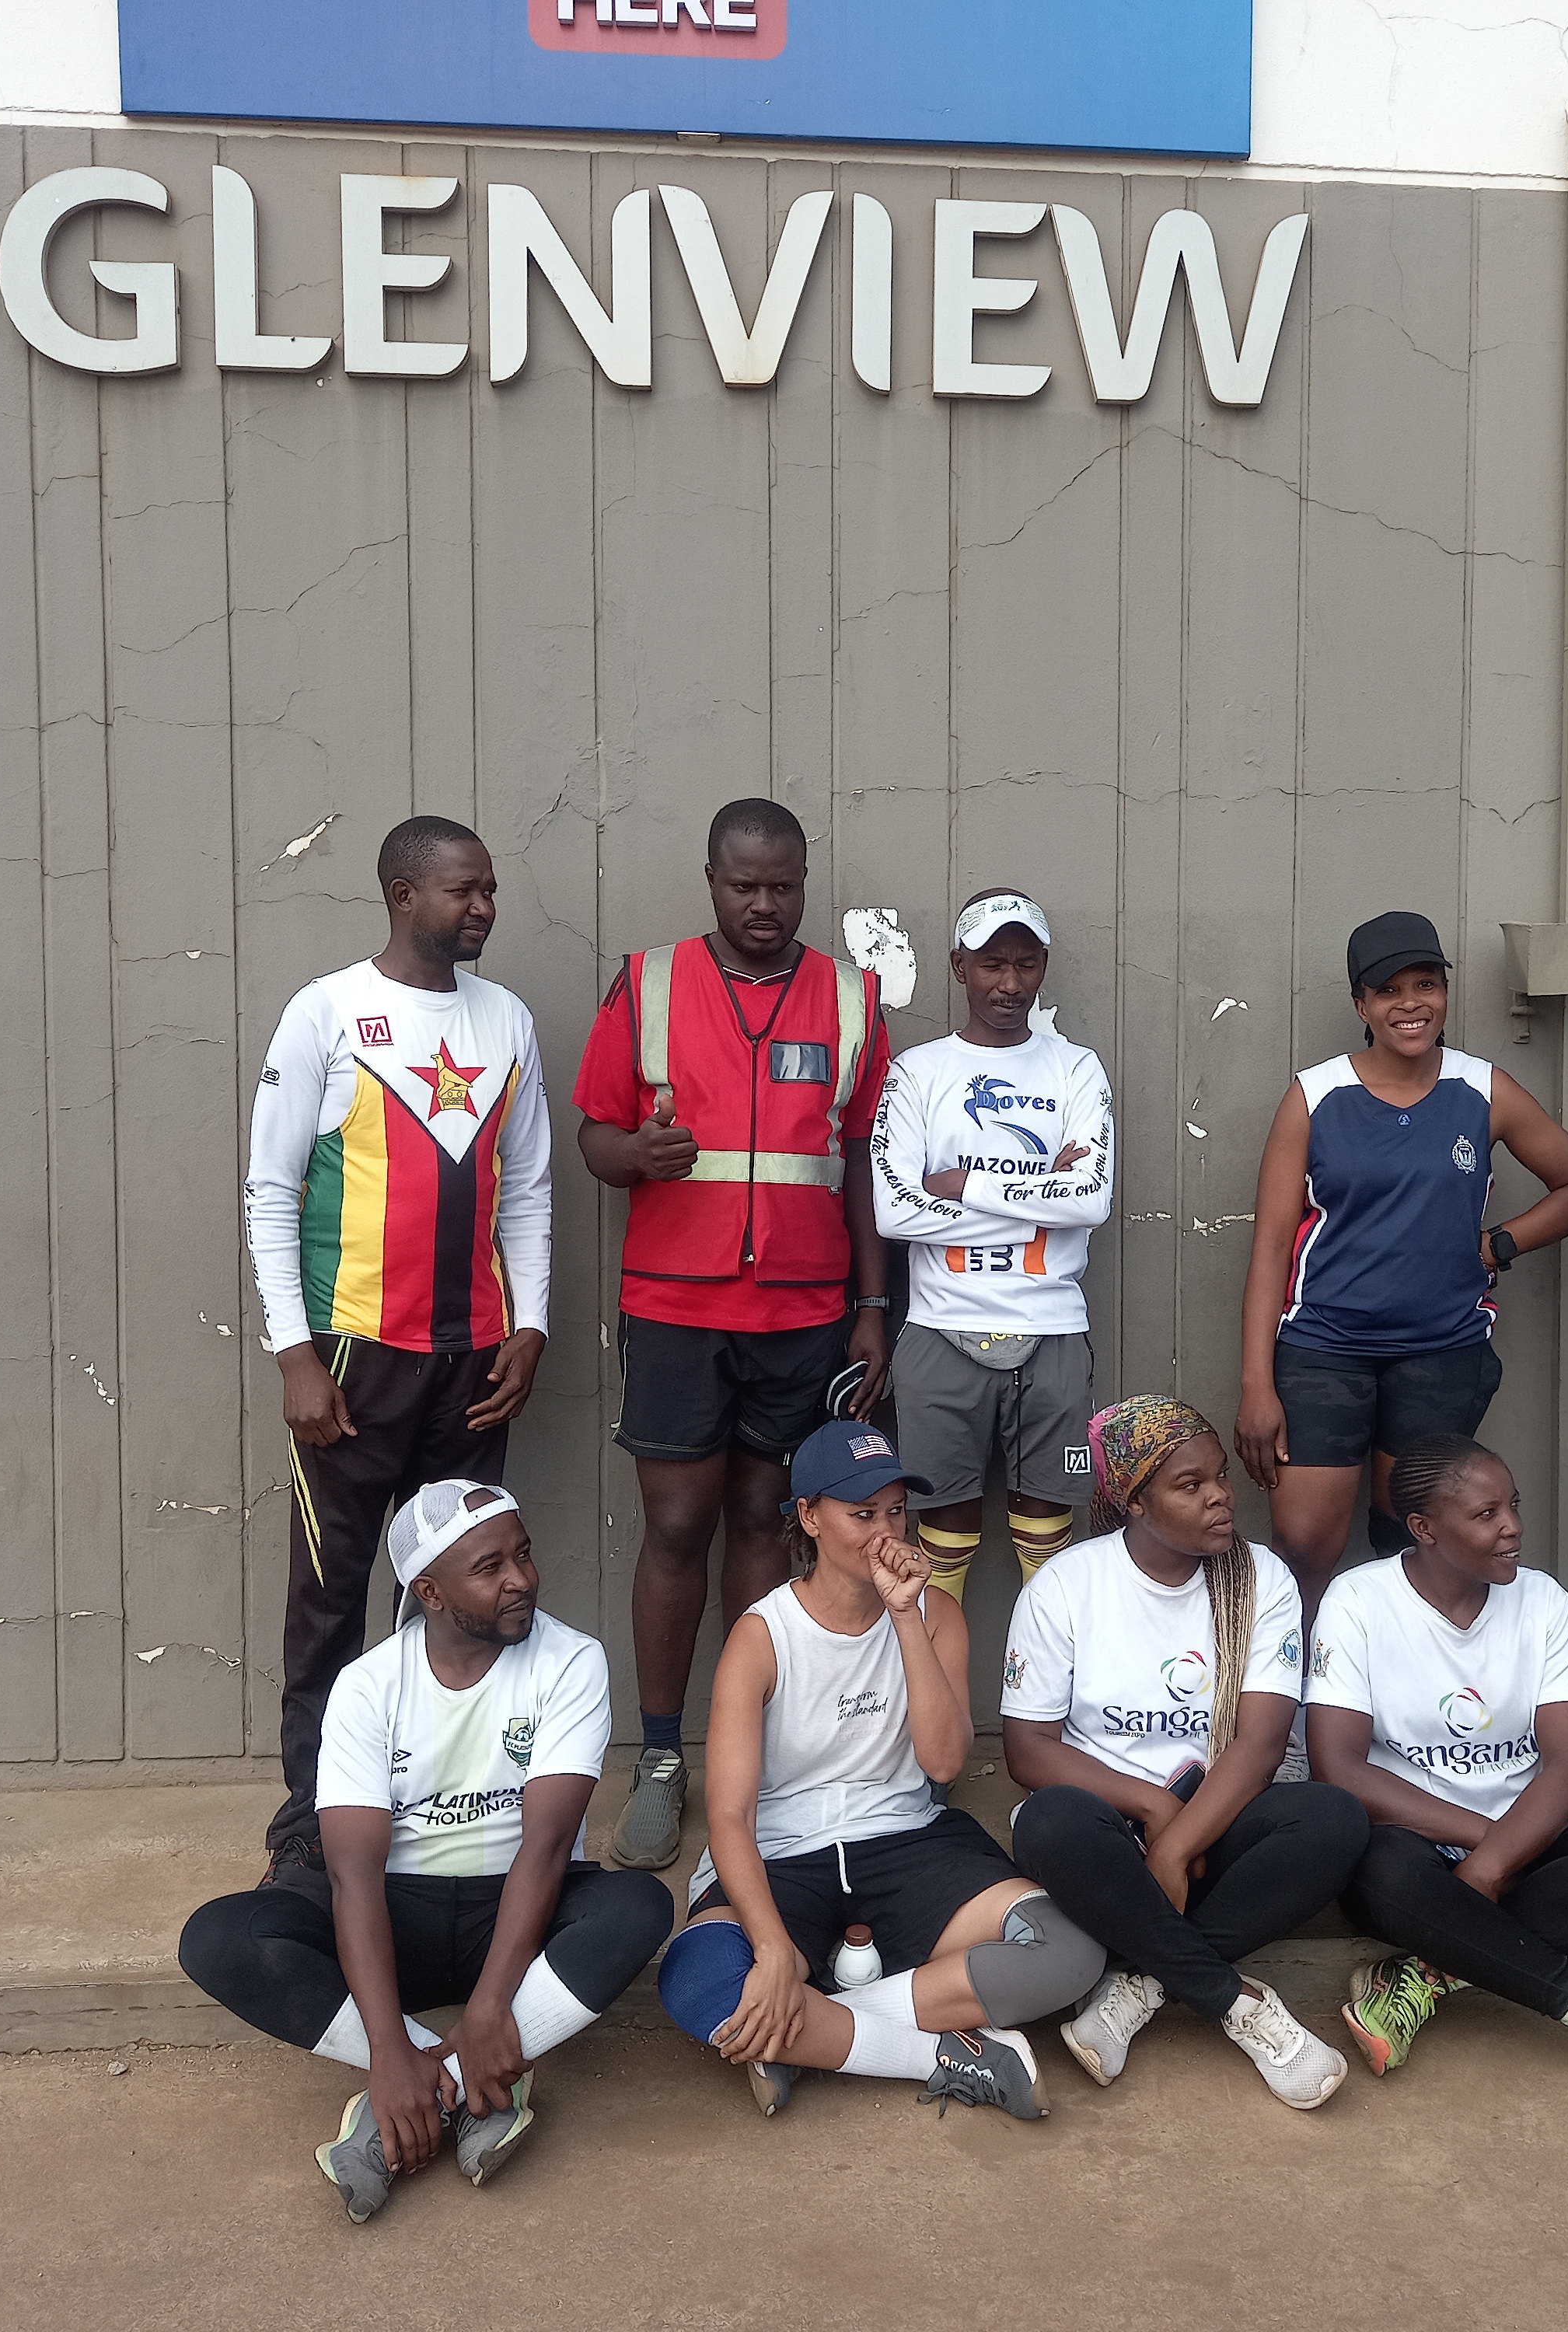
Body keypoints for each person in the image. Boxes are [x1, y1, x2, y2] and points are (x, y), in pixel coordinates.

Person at [176, 1482, 672, 2222]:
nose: (522, 1579)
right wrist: (385, 2048)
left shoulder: (572, 1661)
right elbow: (353, 1876)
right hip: (393, 1914)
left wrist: (493, 2004)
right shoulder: (368, 1686)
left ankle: (457, 2069)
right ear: (430, 1592)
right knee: (220, 1939)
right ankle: (449, 2083)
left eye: (524, 1554)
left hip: (514, 1911)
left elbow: (545, 1848)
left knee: (638, 1907)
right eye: (491, 1567)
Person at [573, 798, 896, 1872]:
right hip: (674, 1308)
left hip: (804, 1315)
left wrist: (870, 1308)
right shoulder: (648, 983)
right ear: (710, 880)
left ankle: (743, 1752)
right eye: (743, 885)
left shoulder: (851, 1000)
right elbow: (594, 1137)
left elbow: (860, 1169)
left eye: (784, 886)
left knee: (768, 1519)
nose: (765, 905)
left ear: (805, 882)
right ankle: (661, 1756)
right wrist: (635, 1156)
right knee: (676, 1526)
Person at [245, 815, 553, 1875]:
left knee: (455, 1596)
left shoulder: (506, 1018)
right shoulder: (326, 1012)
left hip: (473, 1365)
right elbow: (270, 1189)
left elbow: (532, 1189)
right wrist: (294, 1353)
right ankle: (311, 1829)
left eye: (491, 889)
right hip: (352, 1358)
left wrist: (533, 1323)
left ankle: (440, 1808)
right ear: (401, 894)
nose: (484, 908)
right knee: (330, 1600)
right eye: (464, 890)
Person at [651, 1421, 1103, 2121]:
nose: (886, 1531)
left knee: (1069, 1951)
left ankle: (811, 2024)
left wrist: (903, 1618)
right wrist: (772, 1950)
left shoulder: (936, 1614)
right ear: (809, 1516)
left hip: (906, 1836)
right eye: (862, 1515)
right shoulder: (762, 1634)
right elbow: (730, 1815)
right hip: (782, 1851)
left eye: (896, 1511)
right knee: (700, 1981)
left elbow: (944, 1761)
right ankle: (947, 2052)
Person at [1306, 1435, 1568, 2121]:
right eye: (1486, 1513)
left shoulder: (1542, 1602)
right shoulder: (1358, 1603)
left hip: (1525, 1833)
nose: (1512, 1526)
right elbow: (1337, 1767)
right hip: (1414, 1840)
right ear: (1424, 1528)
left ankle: (1426, 1977)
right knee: (1382, 1874)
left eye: (1513, 1506)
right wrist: (1491, 1851)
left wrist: (1496, 1860)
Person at [1001, 1395, 1368, 2109]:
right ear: (1135, 1503)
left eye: (1221, 1478)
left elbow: (1261, 1744)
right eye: (1189, 1485)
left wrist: (1177, 1848)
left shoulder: (1260, 1578)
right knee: (1049, 1823)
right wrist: (1155, 1811)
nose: (1220, 1497)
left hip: (1219, 1818)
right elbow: (1028, 1750)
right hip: (1108, 1826)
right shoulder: (1068, 1587)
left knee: (1335, 1821)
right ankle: (1235, 2002)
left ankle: (1139, 1984)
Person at [1235, 910, 1568, 1613]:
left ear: (1444, 992)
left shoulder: (1482, 1090)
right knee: (1306, 1543)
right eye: (1388, 991)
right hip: (1323, 1350)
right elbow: (1269, 1253)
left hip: (1441, 1353)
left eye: (1426, 985)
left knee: (1411, 1540)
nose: (1410, 1005)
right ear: (1361, 1005)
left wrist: (1500, 1244)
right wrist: (1258, 1386)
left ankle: (1398, 1707)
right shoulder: (1315, 1098)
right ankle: (1297, 1709)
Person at [868, 886, 1114, 1608]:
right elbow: (895, 1211)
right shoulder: (920, 1071)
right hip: (942, 1328)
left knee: (1048, 1529)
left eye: (1026, 964)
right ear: (958, 966)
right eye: (991, 965)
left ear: (1044, 967)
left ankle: (1050, 1708)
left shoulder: (1076, 1069)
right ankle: (942, 1708)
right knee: (940, 1527)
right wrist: (1042, 1196)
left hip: (1052, 1331)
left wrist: (962, 1184)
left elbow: (1090, 1201)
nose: (1010, 984)